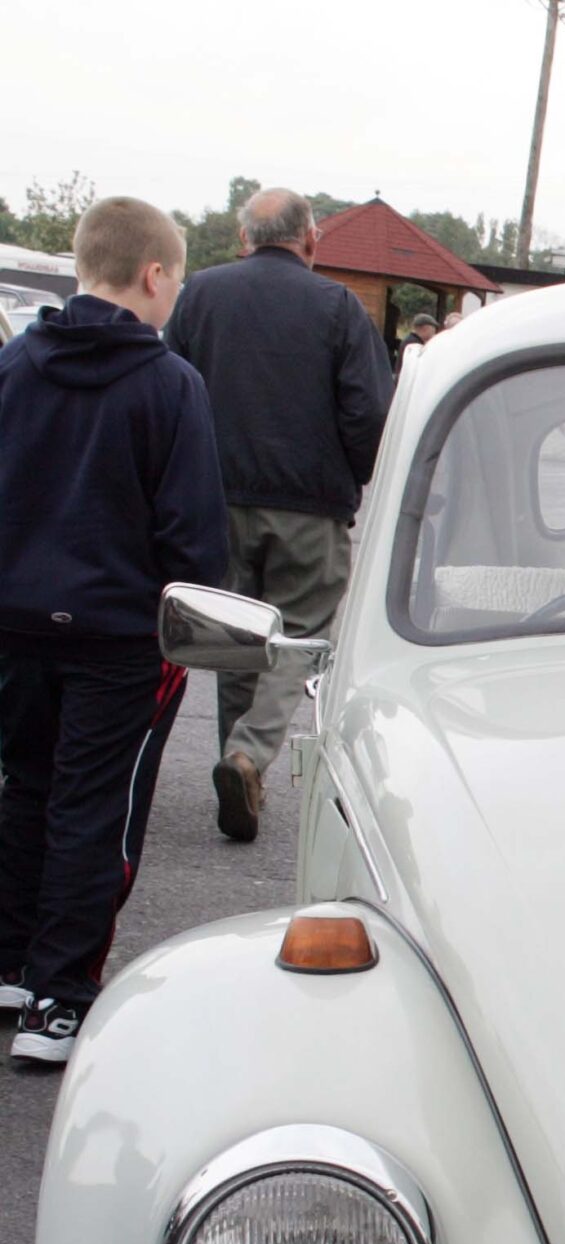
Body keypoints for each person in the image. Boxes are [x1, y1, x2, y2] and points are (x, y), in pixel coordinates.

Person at [0, 198, 227, 1066]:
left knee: (26, 783)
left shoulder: (16, 364)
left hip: (16, 621)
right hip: (120, 632)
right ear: (155, 275)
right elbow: (192, 533)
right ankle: (60, 997)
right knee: (97, 807)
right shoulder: (170, 384)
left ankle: (12, 960)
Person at [162, 187, 392, 843]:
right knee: (296, 635)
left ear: (243, 239)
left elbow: (170, 391)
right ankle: (251, 754)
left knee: (237, 633)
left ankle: (239, 760)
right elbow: (367, 413)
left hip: (216, 499)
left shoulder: (199, 296)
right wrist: (352, 475)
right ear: (311, 239)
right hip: (309, 506)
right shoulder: (339, 307)